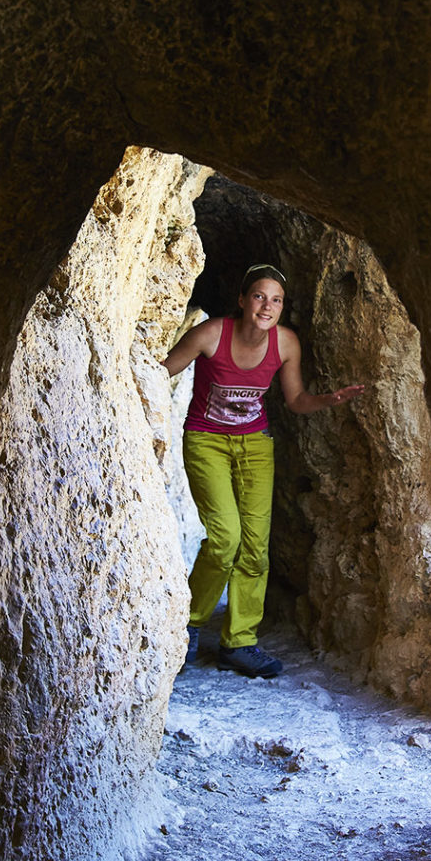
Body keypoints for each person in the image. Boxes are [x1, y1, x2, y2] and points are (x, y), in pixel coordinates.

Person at [163, 262, 363, 678]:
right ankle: (187, 627)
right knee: (225, 538)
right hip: (206, 440)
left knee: (254, 545)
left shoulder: (286, 343)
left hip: (255, 444)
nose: (266, 306)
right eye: (258, 296)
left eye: (276, 300)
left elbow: (295, 400)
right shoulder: (210, 334)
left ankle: (239, 642)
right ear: (242, 300)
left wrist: (329, 399)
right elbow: (160, 371)